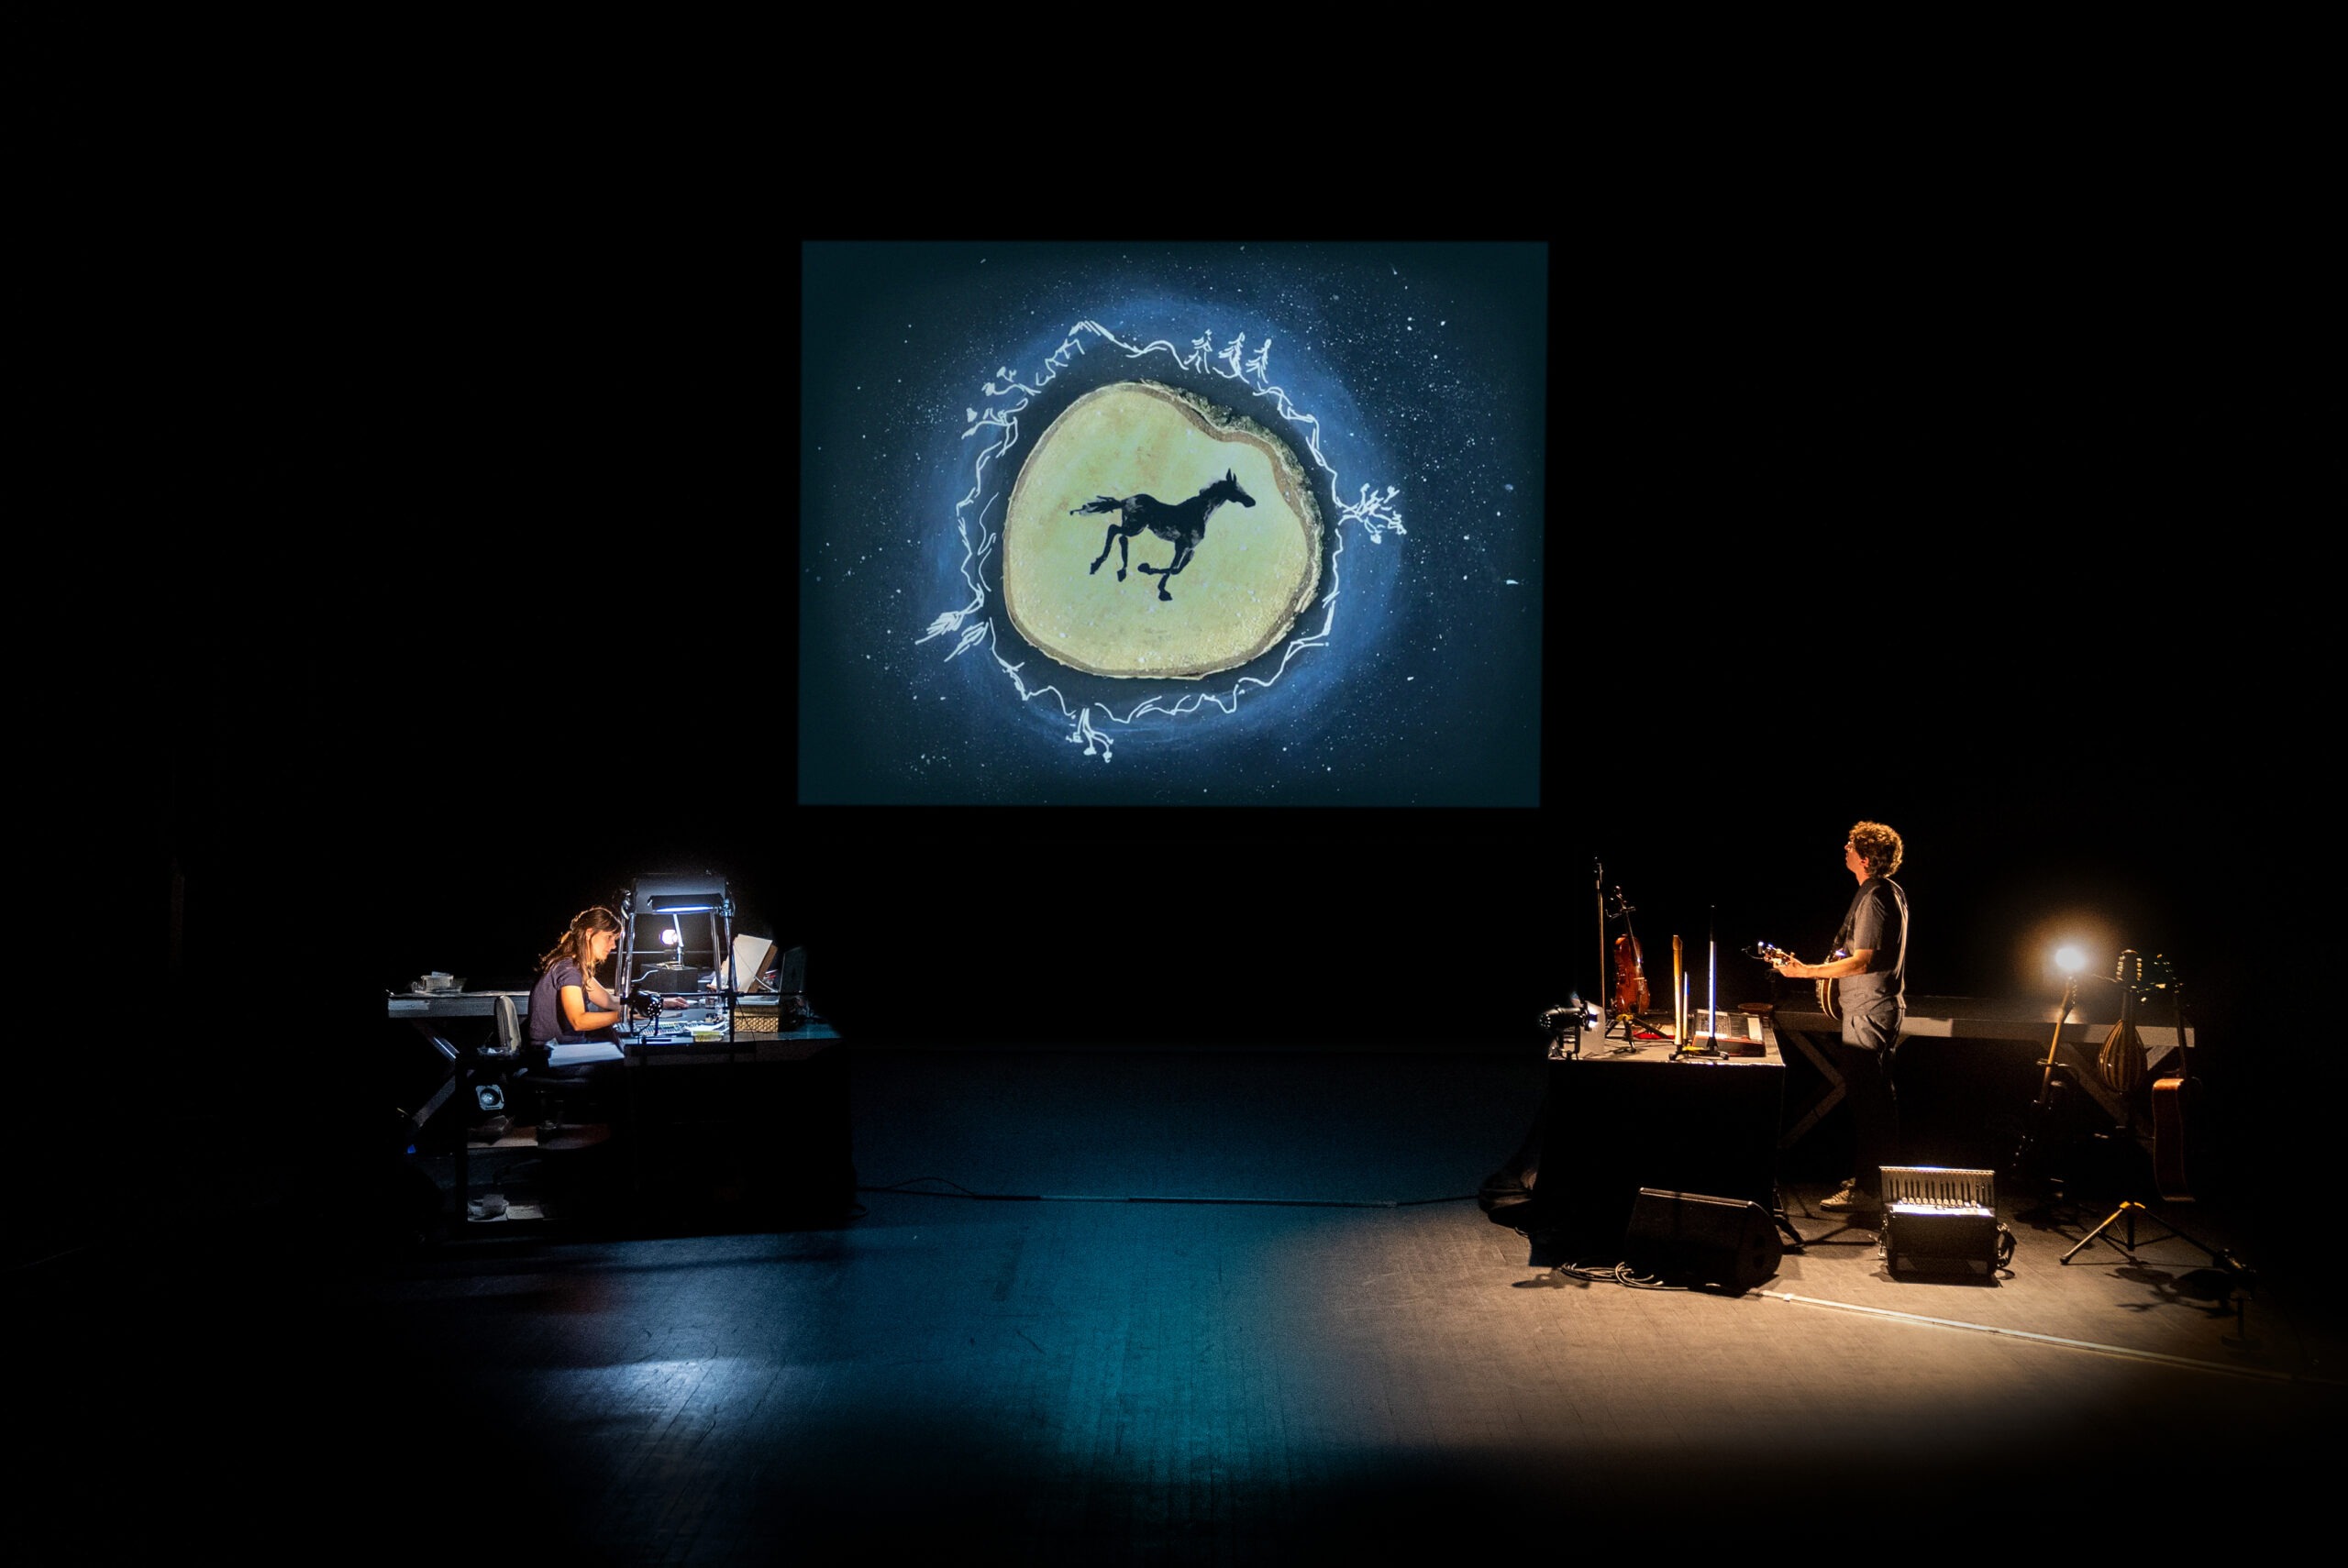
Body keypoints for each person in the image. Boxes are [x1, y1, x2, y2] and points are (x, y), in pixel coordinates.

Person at [1769, 822, 1908, 1214]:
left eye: (1850, 845)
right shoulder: (1886, 891)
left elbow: (1863, 961)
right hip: (1871, 1010)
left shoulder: (1876, 897)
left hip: (1869, 1013)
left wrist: (1807, 972)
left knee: (1870, 1106)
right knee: (1874, 1102)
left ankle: (1870, 1192)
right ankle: (1872, 1181)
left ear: (1865, 857)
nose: (1844, 848)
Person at [525, 906, 626, 1132]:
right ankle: (611, 1135)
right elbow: (578, 1021)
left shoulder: (575, 966)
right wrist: (624, 1015)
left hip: (559, 1051)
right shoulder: (569, 969)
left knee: (616, 1050)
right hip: (552, 1056)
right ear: (589, 933)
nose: (613, 945)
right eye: (609, 937)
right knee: (624, 1063)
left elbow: (609, 1001)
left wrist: (652, 1003)